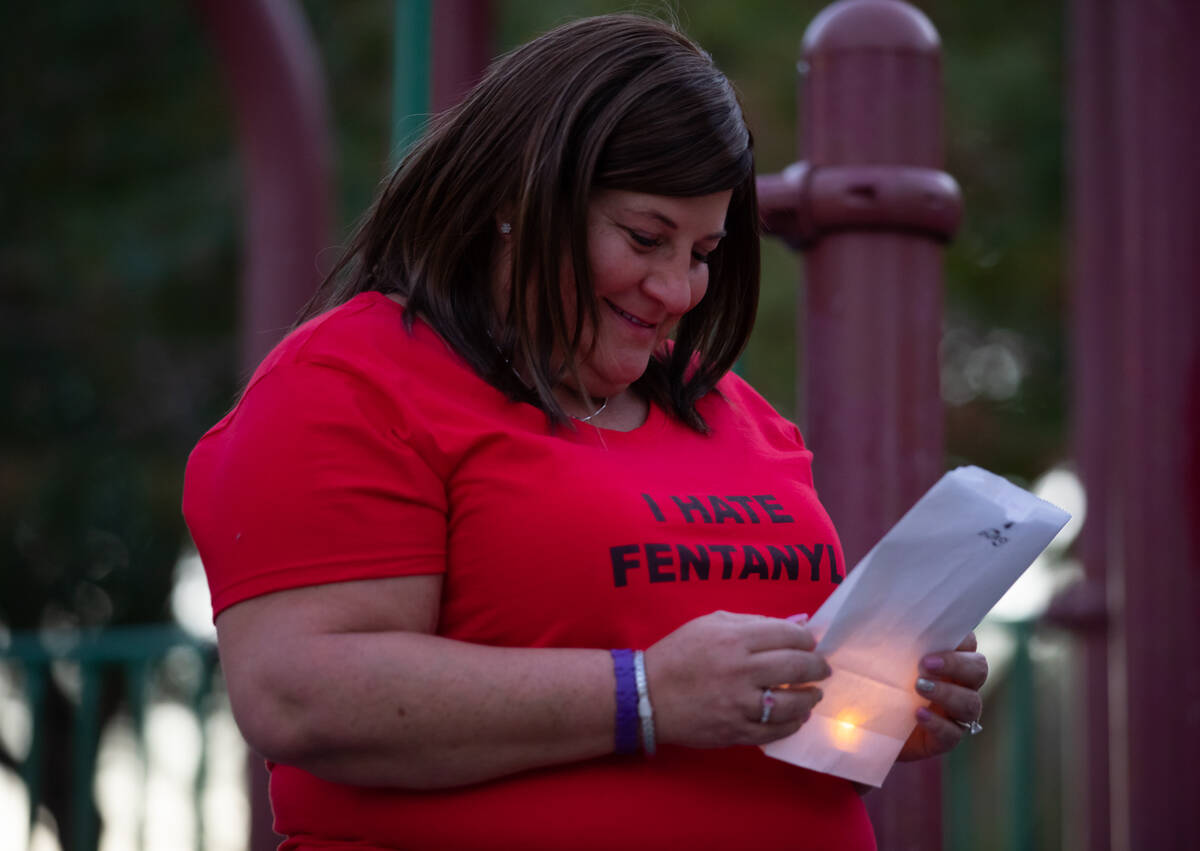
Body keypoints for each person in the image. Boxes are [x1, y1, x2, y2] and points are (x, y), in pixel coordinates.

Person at [183, 14, 987, 850]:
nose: (678, 289)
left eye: (704, 251)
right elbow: (298, 692)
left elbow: (749, 708)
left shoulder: (731, 409)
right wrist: (642, 694)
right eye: (645, 238)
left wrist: (881, 704)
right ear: (519, 196)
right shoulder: (350, 381)